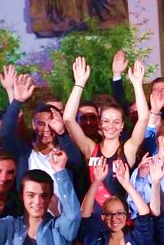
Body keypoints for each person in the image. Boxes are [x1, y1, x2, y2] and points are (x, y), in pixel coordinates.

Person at [62, 56, 150, 210]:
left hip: (120, 218)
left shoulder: (128, 150)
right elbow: (68, 119)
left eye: (116, 122)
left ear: (122, 126)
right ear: (99, 124)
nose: (111, 126)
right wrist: (79, 83)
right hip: (93, 217)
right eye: (106, 121)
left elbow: (143, 119)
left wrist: (137, 84)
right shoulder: (90, 149)